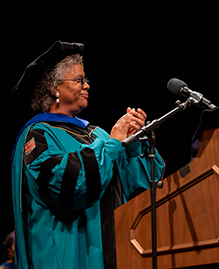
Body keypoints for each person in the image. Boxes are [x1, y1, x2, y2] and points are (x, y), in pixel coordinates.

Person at [11, 41, 165, 269]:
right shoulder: (38, 136)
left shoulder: (98, 134)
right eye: (79, 80)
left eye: (86, 80)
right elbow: (65, 188)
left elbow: (141, 188)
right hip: (70, 257)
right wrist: (114, 145)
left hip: (117, 252)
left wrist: (133, 143)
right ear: (54, 87)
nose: (87, 86)